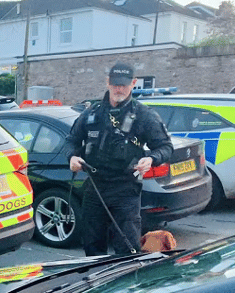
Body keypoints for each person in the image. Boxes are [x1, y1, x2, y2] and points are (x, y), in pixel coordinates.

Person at [65, 61, 173, 256]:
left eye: (123, 84)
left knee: (127, 248)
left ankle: (128, 284)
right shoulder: (92, 113)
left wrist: (151, 159)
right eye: (115, 84)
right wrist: (71, 157)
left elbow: (165, 147)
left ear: (133, 83)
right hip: (95, 188)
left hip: (125, 190)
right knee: (92, 246)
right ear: (107, 82)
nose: (119, 89)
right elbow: (71, 141)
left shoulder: (144, 115)